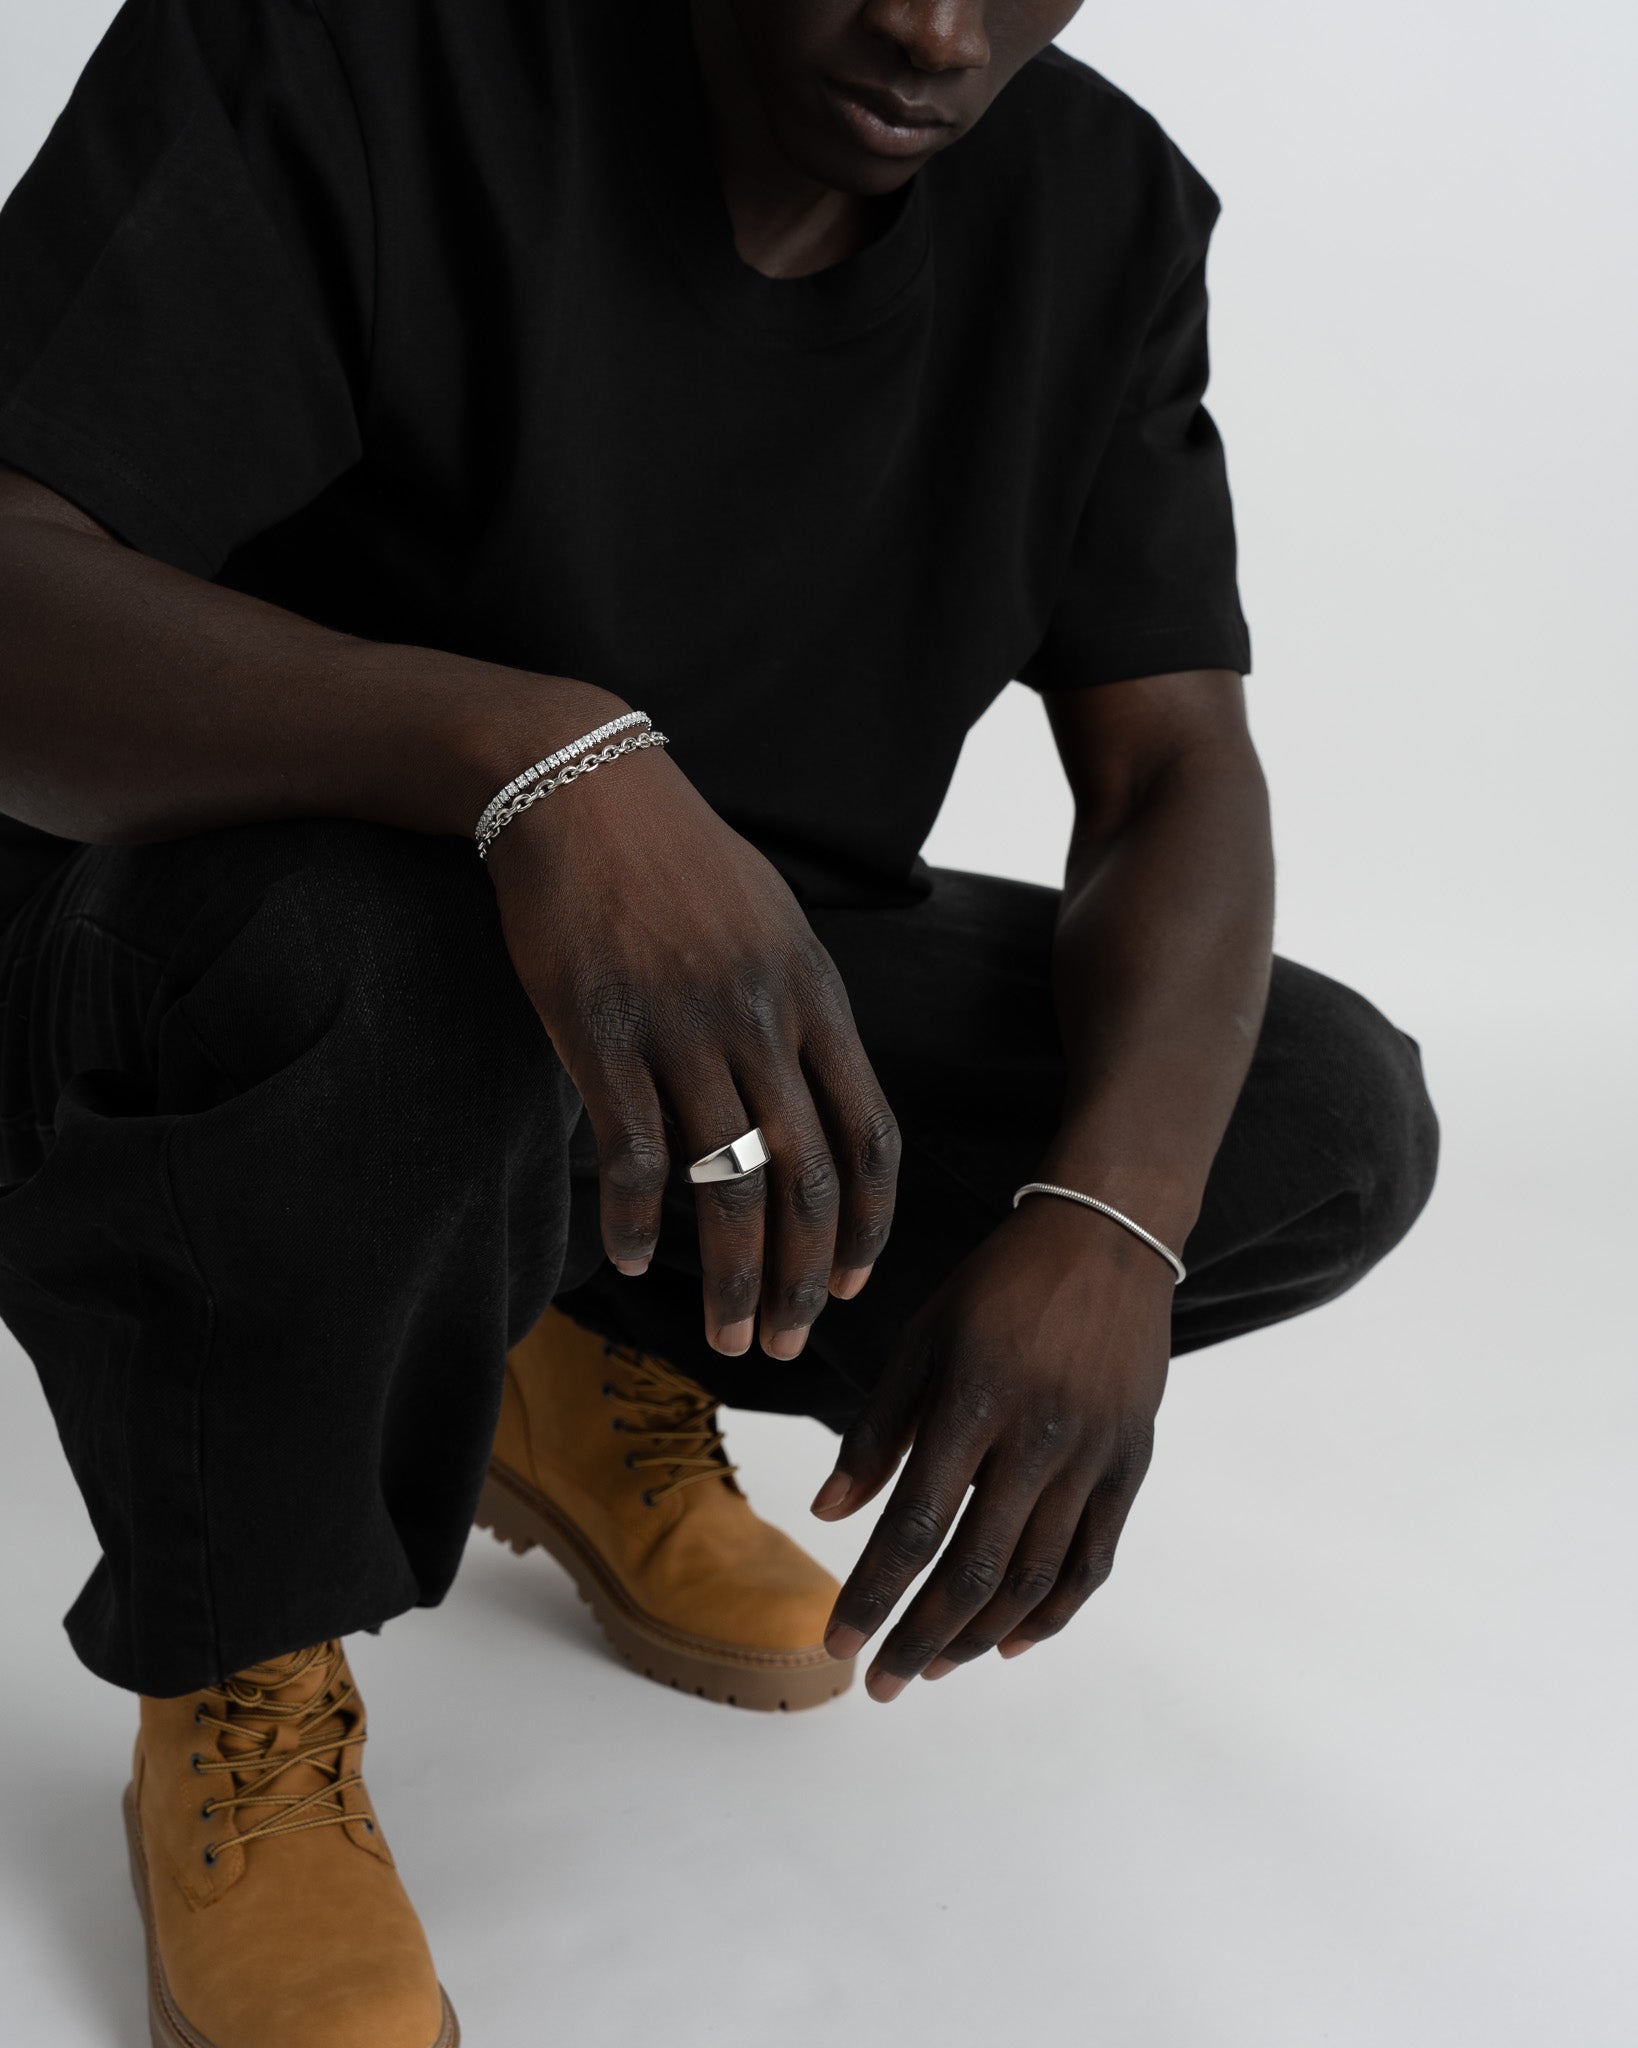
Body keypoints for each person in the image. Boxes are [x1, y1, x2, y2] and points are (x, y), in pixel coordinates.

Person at [0, 0, 1440, 2041]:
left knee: (1308, 1115)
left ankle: (568, 1354)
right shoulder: (332, 53)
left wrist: (1113, 1218)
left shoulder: (1095, 211)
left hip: (649, 1027)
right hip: (183, 973)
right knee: (380, 964)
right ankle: (239, 1655)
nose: (931, 23)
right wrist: (530, 757)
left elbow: (1174, 768)